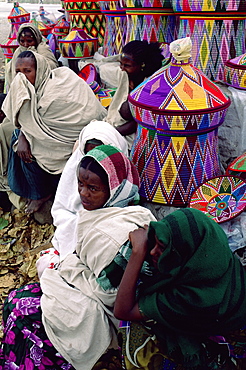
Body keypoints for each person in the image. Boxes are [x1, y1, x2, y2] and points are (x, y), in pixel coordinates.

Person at [0, 144, 156, 370]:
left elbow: (111, 295)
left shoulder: (111, 234)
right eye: (81, 184)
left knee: (25, 316)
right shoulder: (119, 211)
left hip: (101, 314)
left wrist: (70, 273)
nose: (83, 193)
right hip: (81, 290)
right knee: (15, 299)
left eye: (93, 188)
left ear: (114, 189)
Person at [114, 208, 246, 369]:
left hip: (229, 341)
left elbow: (123, 311)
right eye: (153, 242)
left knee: (134, 331)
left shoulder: (192, 298)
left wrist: (137, 253)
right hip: (225, 313)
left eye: (162, 247)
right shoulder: (212, 255)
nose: (153, 251)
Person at [2, 50, 106, 213]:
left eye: (27, 71)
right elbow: (25, 122)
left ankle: (41, 193)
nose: (22, 77)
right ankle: (37, 191)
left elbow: (88, 115)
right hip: (51, 142)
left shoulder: (59, 85)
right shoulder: (28, 91)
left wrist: (24, 135)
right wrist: (23, 134)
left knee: (24, 142)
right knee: (18, 139)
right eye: (18, 72)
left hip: (74, 145)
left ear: (41, 70)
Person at [36, 120, 129, 276]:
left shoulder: (121, 175)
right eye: (89, 152)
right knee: (46, 265)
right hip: (72, 237)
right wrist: (79, 224)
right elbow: (60, 208)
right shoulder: (77, 166)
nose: (94, 158)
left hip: (103, 244)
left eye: (100, 152)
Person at [105, 40, 164, 149]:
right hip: (117, 127)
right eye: (121, 64)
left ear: (142, 65)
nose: (122, 68)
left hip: (136, 136)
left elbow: (139, 122)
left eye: (127, 65)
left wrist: (111, 133)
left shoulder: (151, 87)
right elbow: (117, 103)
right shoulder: (126, 77)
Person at [5, 23, 58, 91]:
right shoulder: (18, 51)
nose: (25, 44)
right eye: (22, 41)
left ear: (36, 39)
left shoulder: (43, 49)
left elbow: (51, 67)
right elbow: (12, 70)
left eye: (29, 41)